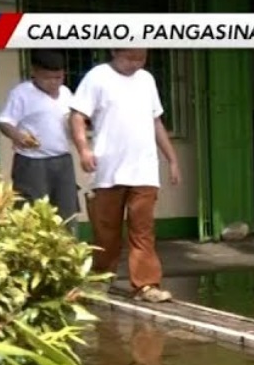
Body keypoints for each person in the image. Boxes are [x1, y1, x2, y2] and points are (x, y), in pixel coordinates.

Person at [70, 48, 182, 304]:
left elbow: (156, 122)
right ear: (114, 52)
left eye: (141, 58)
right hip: (108, 170)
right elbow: (78, 115)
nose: (135, 64)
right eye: (129, 58)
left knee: (142, 230)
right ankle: (101, 279)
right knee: (106, 230)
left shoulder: (146, 80)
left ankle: (146, 285)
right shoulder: (98, 76)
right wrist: (84, 149)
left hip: (143, 169)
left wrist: (172, 159)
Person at [0, 50, 80, 224]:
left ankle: (67, 249)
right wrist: (17, 136)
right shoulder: (22, 93)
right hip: (32, 162)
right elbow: (4, 122)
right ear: (34, 72)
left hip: (63, 160)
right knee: (31, 211)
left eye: (58, 78)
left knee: (67, 210)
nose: (54, 83)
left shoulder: (65, 93)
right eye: (48, 78)